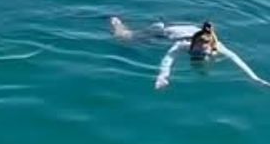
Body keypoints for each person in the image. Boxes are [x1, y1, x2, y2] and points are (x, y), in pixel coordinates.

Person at [109, 16, 270, 90]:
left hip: (188, 30)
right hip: (168, 33)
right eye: (198, 50)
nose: (200, 52)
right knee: (126, 38)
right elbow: (168, 59)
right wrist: (163, 76)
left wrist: (254, 78)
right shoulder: (183, 45)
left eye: (203, 50)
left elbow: (237, 59)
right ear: (192, 45)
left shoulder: (217, 46)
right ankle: (116, 22)